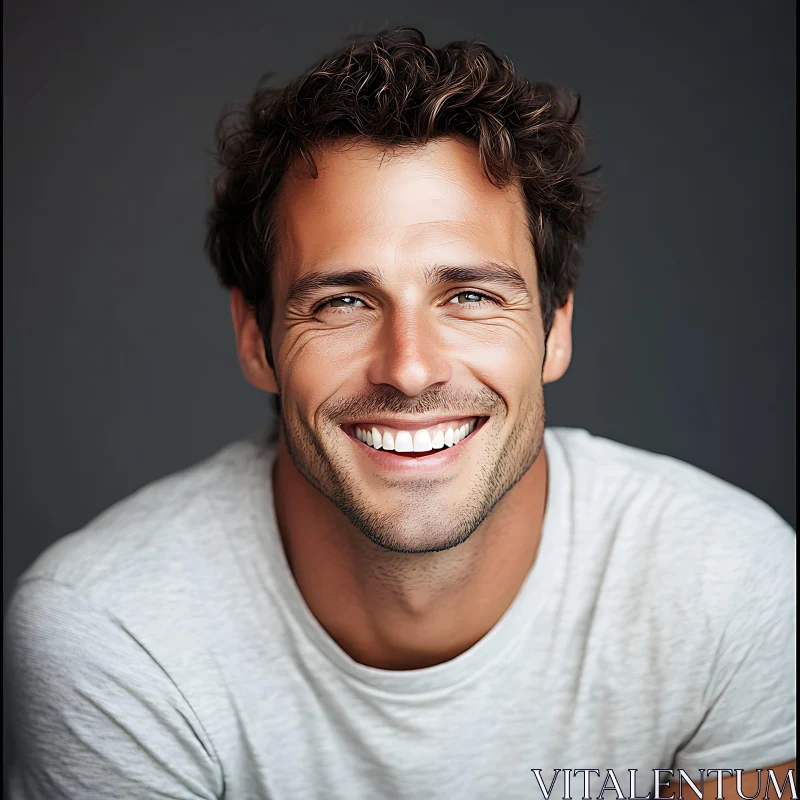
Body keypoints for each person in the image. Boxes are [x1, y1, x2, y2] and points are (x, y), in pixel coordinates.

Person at [5, 26, 795, 800]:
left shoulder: (732, 589)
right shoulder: (115, 636)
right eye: (344, 301)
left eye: (471, 296)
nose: (410, 369)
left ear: (555, 330)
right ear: (256, 338)